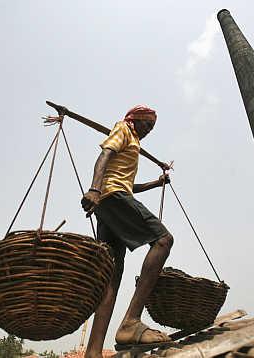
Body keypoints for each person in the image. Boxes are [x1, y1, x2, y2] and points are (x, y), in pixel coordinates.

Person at [81, 105, 174, 356]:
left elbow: (129, 187)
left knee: (114, 272)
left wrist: (157, 183)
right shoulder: (123, 129)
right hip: (110, 196)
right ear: (136, 120)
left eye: (152, 128)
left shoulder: (133, 144)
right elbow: (104, 156)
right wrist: (94, 189)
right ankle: (131, 321)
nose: (148, 131)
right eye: (147, 125)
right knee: (163, 239)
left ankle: (93, 351)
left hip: (112, 199)